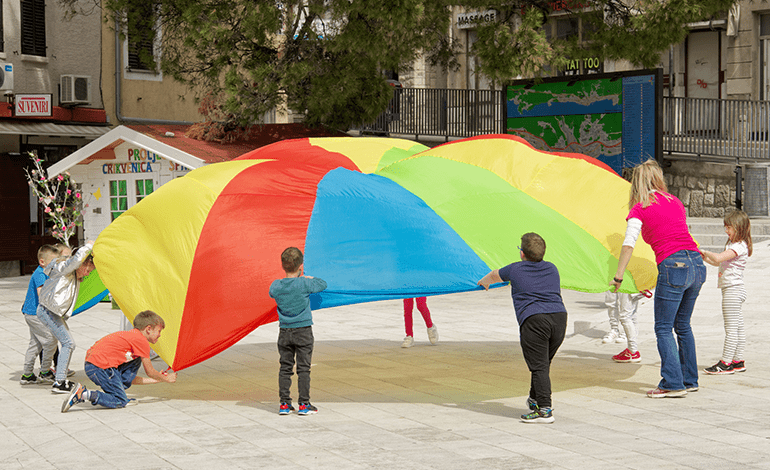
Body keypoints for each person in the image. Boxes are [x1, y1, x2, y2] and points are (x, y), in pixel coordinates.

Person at [610, 159, 706, 398]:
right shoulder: (675, 202)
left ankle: (672, 383)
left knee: (663, 328)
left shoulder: (640, 208)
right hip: (696, 264)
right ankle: (689, 379)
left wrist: (619, 275)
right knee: (683, 326)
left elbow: (628, 244)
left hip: (673, 265)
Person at [477, 233, 567, 424]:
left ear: (522, 253)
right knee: (542, 364)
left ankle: (545, 410)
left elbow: (494, 275)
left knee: (540, 367)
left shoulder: (516, 269)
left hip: (535, 320)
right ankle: (534, 400)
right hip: (559, 319)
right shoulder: (552, 268)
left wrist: (484, 281)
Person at [61, 310, 177, 412]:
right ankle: (84, 394)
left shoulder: (131, 336)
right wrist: (166, 378)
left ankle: (116, 393)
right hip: (100, 367)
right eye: (159, 331)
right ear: (148, 329)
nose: (160, 335)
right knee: (120, 401)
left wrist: (157, 379)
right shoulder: (141, 341)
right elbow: (150, 371)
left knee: (136, 360)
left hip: (94, 365)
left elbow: (129, 380)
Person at [269, 247, 327, 416]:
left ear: (282, 265)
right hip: (303, 331)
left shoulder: (276, 285)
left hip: (285, 332)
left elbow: (272, 292)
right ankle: (304, 404)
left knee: (285, 368)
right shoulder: (304, 283)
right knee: (304, 368)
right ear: (300, 265)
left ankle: (284, 404)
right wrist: (308, 277)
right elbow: (323, 284)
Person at [36, 241, 95, 393]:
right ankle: (59, 381)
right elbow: (75, 260)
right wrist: (88, 246)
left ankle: (59, 379)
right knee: (68, 343)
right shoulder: (64, 269)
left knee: (66, 343)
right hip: (48, 310)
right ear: (83, 264)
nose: (88, 274)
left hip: (50, 311)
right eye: (89, 270)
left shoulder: (72, 276)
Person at [700, 210, 752, 375]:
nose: (726, 231)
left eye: (728, 227)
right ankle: (738, 360)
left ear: (739, 228)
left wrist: (703, 250)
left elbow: (718, 258)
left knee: (731, 329)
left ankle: (725, 363)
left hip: (733, 290)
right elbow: (718, 263)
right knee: (738, 327)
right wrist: (703, 256)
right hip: (734, 289)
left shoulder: (738, 246)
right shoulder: (733, 244)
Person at [20, 245, 60, 385]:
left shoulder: (44, 273)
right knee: (51, 340)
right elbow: (42, 295)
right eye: (54, 262)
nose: (56, 265)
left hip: (32, 313)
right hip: (35, 315)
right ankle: (45, 372)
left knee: (35, 344)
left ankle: (27, 374)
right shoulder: (40, 274)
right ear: (42, 262)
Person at [604, 291, 645, 363]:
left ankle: (633, 351)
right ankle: (632, 350)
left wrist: (617, 280)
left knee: (625, 317)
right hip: (635, 284)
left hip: (627, 284)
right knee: (632, 315)